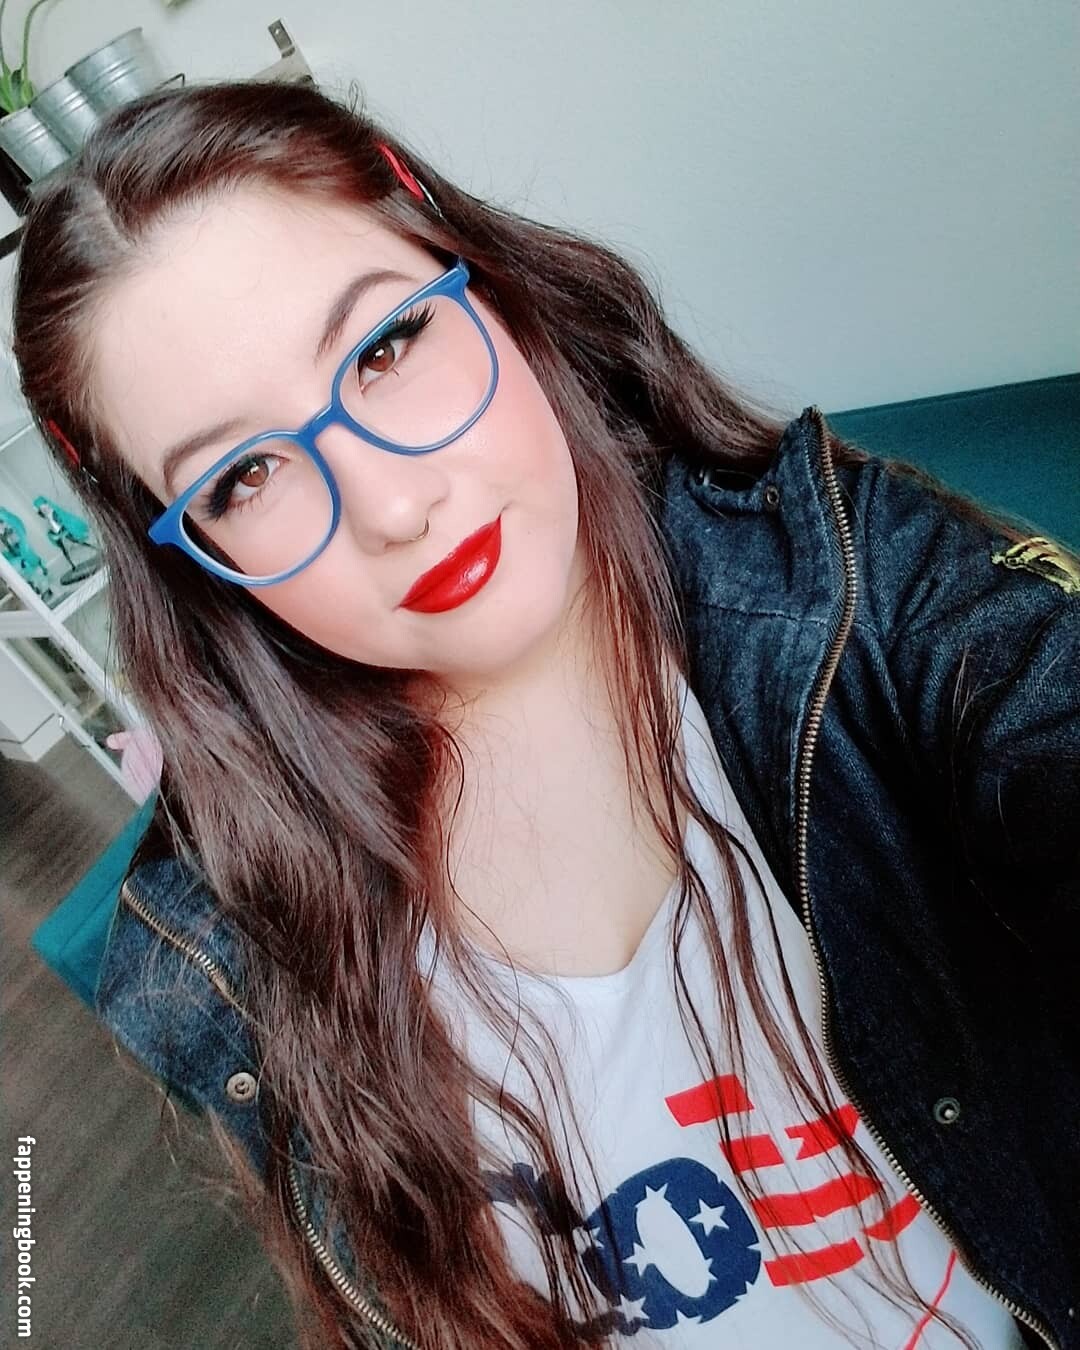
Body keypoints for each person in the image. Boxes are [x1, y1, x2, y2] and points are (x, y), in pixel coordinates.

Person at [11, 80, 1078, 1350]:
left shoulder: (870, 603)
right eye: (246, 475)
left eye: (387, 348)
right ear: (194, 558)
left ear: (480, 278)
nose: (392, 506)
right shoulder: (222, 946)